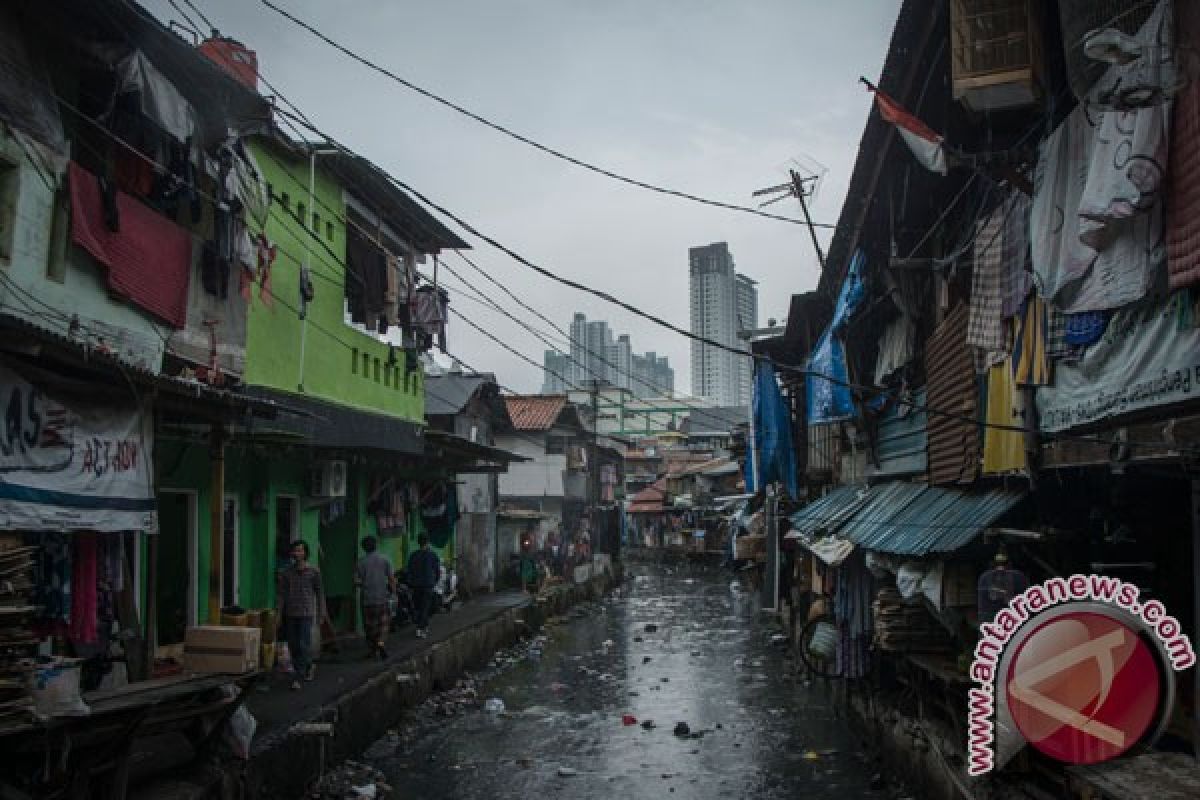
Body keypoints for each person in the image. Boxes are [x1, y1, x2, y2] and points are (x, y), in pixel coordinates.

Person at [277, 540, 323, 691]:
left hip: (306, 613)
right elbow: (282, 595)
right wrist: (278, 614)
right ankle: (309, 665)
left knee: (303, 643)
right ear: (292, 553)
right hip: (290, 613)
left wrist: (321, 613)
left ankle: (298, 676)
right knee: (293, 644)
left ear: (305, 553)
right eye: (295, 551)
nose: (297, 554)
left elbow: (319, 593)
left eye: (300, 551)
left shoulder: (314, 572)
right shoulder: (286, 573)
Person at [355, 536, 394, 660]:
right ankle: (381, 643)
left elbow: (356, 581)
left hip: (367, 599)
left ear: (364, 548)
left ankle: (373, 650)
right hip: (382, 597)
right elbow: (391, 578)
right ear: (376, 545)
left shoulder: (360, 562)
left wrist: (365, 583)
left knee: (369, 626)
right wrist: (393, 592)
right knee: (383, 623)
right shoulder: (385, 559)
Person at [406, 534, 440, 638]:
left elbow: (409, 571)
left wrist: (410, 583)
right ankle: (421, 628)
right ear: (428, 542)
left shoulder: (413, 555)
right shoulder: (432, 555)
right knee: (425, 607)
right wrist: (434, 581)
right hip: (428, 585)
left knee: (419, 606)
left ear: (418, 542)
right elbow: (437, 571)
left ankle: (422, 627)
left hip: (416, 585)